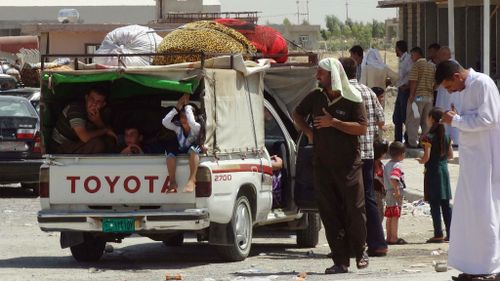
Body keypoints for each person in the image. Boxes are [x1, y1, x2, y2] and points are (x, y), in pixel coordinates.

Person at [293, 57, 368, 274]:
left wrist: (333, 122)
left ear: (333, 76)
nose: (317, 76)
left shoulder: (352, 98)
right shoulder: (316, 97)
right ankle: (340, 261)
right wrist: (308, 133)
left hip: (349, 166)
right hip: (323, 165)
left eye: (321, 73)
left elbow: (361, 128)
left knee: (354, 209)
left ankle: (360, 249)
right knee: (329, 212)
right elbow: (297, 113)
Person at [436, 60, 500, 281]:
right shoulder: (463, 89)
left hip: (487, 160)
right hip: (471, 160)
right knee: (469, 212)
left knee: (485, 211)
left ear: (457, 76)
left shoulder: (483, 84)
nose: (449, 91)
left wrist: (457, 120)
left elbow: (489, 119)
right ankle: (473, 266)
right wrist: (457, 119)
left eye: (448, 86)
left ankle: (490, 268)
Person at [340, 57, 388, 257]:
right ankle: (378, 242)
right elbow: (382, 120)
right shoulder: (368, 91)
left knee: (348, 199)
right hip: (368, 153)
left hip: (350, 155)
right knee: (367, 197)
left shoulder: (343, 93)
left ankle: (352, 245)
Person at [417, 107, 453, 243]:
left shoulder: (428, 137)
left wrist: (421, 160)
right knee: (445, 204)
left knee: (434, 204)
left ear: (431, 118)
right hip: (444, 171)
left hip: (433, 172)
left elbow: (426, 157)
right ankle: (450, 234)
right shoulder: (447, 136)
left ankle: (438, 233)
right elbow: (450, 155)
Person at [51, 87, 117, 154]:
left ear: (103, 104)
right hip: (61, 147)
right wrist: (105, 130)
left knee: (109, 140)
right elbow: (84, 137)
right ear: (86, 98)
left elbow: (111, 135)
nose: (94, 104)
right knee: (97, 144)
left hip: (78, 145)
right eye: (92, 99)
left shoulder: (103, 113)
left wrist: (98, 121)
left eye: (98, 102)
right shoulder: (76, 109)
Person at [162, 94, 201, 193]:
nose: (184, 119)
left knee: (193, 150)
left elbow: (191, 122)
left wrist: (187, 105)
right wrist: (177, 107)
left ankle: (192, 180)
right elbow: (165, 122)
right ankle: (172, 181)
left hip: (192, 149)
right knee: (170, 151)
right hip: (181, 148)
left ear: (193, 117)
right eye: (182, 117)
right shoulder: (177, 127)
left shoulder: (196, 127)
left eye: (187, 116)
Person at [406, 47, 435, 148]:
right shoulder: (431, 66)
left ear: (417, 54)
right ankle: (424, 143)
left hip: (418, 98)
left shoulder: (417, 64)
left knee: (413, 119)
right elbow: (435, 84)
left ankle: (413, 142)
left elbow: (413, 80)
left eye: (412, 55)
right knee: (426, 122)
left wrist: (411, 95)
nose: (411, 58)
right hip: (429, 98)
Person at [435, 46, 460, 146]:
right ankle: (446, 140)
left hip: (450, 97)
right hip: (445, 96)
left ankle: (454, 140)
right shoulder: (444, 65)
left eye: (440, 55)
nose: (438, 58)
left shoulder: (451, 65)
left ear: (445, 55)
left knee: (451, 116)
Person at [384, 141, 407, 245]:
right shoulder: (398, 165)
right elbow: (394, 178)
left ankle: (388, 237)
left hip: (388, 192)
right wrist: (397, 191)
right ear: (402, 154)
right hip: (394, 191)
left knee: (389, 215)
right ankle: (394, 237)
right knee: (395, 215)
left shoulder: (387, 164)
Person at [393, 40, 412, 143]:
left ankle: (408, 139)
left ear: (398, 48)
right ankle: (398, 140)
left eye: (395, 48)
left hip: (405, 91)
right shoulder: (402, 59)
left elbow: (411, 73)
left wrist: (407, 85)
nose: (395, 50)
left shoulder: (408, 59)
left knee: (405, 117)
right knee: (397, 117)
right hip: (400, 90)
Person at [374, 139, 389, 224]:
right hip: (376, 192)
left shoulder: (379, 163)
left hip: (380, 192)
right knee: (379, 213)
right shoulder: (374, 165)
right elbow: (377, 177)